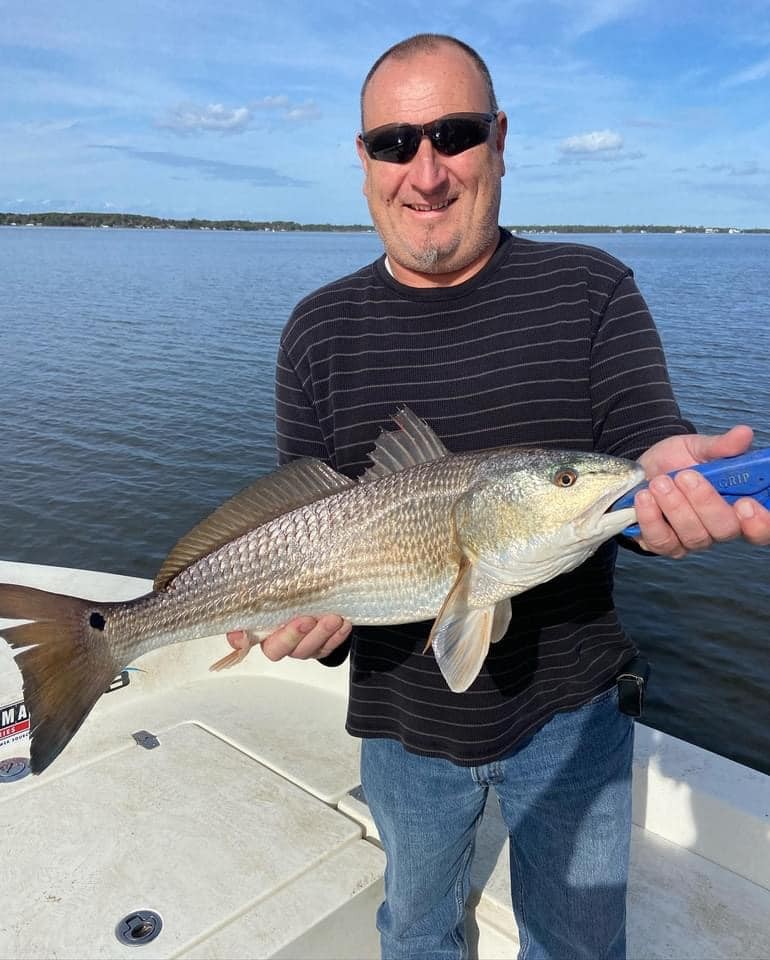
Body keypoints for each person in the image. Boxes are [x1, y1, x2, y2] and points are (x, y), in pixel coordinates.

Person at [230, 34, 770, 960]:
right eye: (396, 143)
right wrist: (315, 622)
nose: (427, 172)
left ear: (500, 138)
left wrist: (664, 483)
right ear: (362, 160)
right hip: (400, 727)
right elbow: (305, 524)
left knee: (579, 946)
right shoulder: (317, 329)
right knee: (416, 930)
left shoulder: (591, 290)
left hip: (576, 719)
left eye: (455, 134)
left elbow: (640, 453)